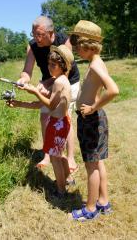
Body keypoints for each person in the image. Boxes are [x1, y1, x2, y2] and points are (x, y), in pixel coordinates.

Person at [68, 20, 119, 221]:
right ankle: (103, 202)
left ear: (86, 44)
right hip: (92, 120)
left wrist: (93, 107)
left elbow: (114, 90)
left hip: (91, 120)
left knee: (91, 166)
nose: (76, 48)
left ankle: (90, 209)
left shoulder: (96, 65)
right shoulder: (95, 63)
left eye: (76, 43)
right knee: (97, 164)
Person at [8, 45, 75, 197]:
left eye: (53, 65)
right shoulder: (61, 79)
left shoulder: (59, 83)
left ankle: (61, 191)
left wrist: (36, 91)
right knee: (59, 154)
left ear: (62, 65)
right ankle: (68, 179)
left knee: (54, 158)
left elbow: (50, 105)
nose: (49, 68)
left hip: (57, 124)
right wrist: (19, 103)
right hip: (62, 122)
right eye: (48, 64)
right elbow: (43, 104)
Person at [17, 16, 79, 172]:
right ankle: (47, 154)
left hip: (68, 81)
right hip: (47, 81)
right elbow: (27, 70)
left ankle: (70, 157)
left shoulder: (63, 40)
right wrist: (23, 79)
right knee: (45, 116)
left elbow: (67, 69)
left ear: (51, 32)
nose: (35, 38)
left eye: (39, 34)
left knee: (66, 116)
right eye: (33, 34)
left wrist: (47, 84)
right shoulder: (32, 46)